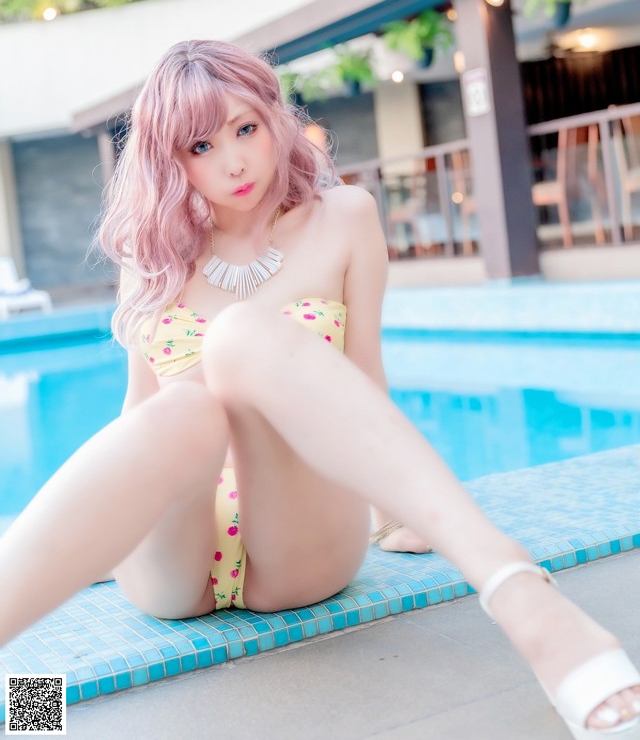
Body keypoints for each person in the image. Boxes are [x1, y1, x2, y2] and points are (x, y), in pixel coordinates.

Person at [0, 39, 638, 738]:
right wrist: (94, 533)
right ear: (169, 160)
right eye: (201, 146)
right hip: (172, 572)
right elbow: (139, 411)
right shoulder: (150, 252)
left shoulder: (345, 219)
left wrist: (398, 513)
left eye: (245, 129)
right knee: (184, 404)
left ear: (275, 119)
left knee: (240, 336)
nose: (234, 161)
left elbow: (363, 377)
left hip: (298, 542)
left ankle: (521, 597)